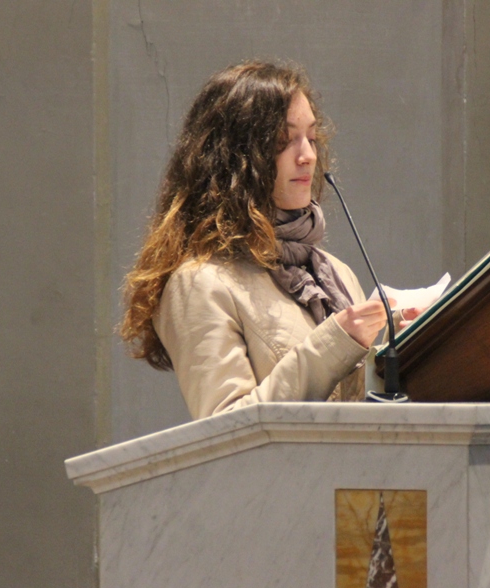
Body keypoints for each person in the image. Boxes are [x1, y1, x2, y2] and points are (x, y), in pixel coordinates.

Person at [119, 61, 400, 420]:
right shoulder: (200, 284)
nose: (307, 156)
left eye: (312, 138)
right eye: (284, 141)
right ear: (236, 158)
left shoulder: (336, 274)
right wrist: (335, 344)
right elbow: (225, 425)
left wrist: (407, 347)